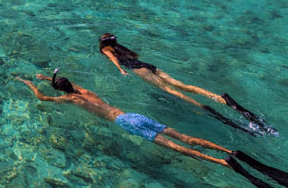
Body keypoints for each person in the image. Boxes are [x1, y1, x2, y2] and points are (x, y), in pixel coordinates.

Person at [18, 71, 288, 188]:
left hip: (125, 124)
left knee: (176, 148)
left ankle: (221, 162)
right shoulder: (84, 91)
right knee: (184, 137)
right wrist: (49, 76)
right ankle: (227, 149)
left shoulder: (72, 101)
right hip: (133, 115)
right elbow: (67, 85)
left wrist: (30, 84)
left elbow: (43, 98)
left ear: (62, 91)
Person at [97, 33, 276, 136]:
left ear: (105, 44)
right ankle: (219, 98)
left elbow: (113, 58)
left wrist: (120, 70)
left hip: (140, 70)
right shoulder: (122, 47)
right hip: (149, 66)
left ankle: (206, 108)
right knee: (182, 85)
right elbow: (131, 56)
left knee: (173, 92)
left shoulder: (106, 49)